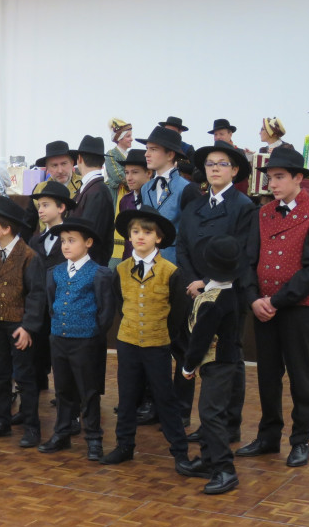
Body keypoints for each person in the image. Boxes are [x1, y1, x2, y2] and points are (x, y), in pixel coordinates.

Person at [237, 147, 309, 468]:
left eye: (280, 177)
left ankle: (301, 439)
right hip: (263, 307)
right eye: (270, 178)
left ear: (298, 178)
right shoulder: (262, 214)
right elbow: (249, 261)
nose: (273, 184)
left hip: (295, 307)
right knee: (267, 374)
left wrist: (275, 301)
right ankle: (268, 436)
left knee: (300, 375)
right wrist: (254, 299)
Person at [102, 207, 192, 474]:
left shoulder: (170, 271)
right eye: (135, 232)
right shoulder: (120, 269)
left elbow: (178, 311)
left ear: (159, 238)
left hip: (157, 343)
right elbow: (121, 303)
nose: (140, 236)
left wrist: (162, 333)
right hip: (128, 342)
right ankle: (124, 445)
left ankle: (180, 451)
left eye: (147, 232)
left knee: (165, 397)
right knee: (128, 396)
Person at [177, 140, 254, 444]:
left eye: (222, 164)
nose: (215, 169)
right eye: (210, 164)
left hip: (227, 293)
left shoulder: (243, 206)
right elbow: (182, 246)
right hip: (193, 290)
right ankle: (210, 422)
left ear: (234, 170)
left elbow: (244, 252)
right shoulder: (194, 205)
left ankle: (227, 424)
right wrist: (192, 280)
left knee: (227, 358)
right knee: (201, 354)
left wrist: (207, 282)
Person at [39, 218, 114, 461]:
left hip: (86, 341)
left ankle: (93, 437)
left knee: (88, 391)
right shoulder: (55, 272)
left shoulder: (100, 274)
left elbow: (105, 312)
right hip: (59, 338)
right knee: (62, 390)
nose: (66, 246)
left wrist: (91, 332)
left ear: (88, 243)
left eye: (72, 241)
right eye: (63, 241)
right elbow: (52, 304)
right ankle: (62, 433)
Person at [0, 196, 46, 448]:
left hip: (18, 326)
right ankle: (1, 421)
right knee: (1, 374)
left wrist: (28, 327)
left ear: (5, 228)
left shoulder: (28, 256)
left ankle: (31, 427)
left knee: (25, 377)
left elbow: (37, 296)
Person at [177, 235, 242, 495]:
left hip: (217, 364)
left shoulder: (213, 303)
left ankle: (225, 469)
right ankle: (208, 459)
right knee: (210, 412)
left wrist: (188, 367)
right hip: (221, 363)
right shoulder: (224, 292)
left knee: (210, 414)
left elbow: (200, 340)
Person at [27, 181, 76, 395]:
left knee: (62, 351)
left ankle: (66, 393)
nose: (41, 210)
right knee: (36, 348)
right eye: (39, 206)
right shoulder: (35, 240)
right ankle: (37, 384)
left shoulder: (72, 239)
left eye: (46, 205)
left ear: (61, 208)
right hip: (39, 306)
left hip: (62, 305)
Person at [136, 126, 199, 265]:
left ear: (170, 155)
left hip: (176, 266)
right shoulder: (145, 188)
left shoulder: (187, 188)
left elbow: (193, 235)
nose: (146, 154)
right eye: (147, 148)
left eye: (153, 149)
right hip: (146, 265)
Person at [71, 135, 115, 266]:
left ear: (79, 158)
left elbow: (90, 234)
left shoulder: (97, 191)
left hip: (89, 267)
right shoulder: (92, 188)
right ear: (102, 162)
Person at [26, 141, 83, 234]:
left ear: (72, 163)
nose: (60, 170)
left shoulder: (84, 185)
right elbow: (28, 225)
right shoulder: (39, 189)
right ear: (47, 168)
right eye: (54, 165)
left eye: (64, 164)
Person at [116, 149, 152, 260]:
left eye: (135, 172)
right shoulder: (125, 201)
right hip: (129, 260)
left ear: (149, 173)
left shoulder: (155, 199)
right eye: (127, 172)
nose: (129, 178)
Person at [104, 118, 133, 203]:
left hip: (130, 194)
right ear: (119, 138)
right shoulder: (111, 154)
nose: (131, 139)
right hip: (117, 196)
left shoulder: (130, 155)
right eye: (128, 136)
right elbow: (118, 176)